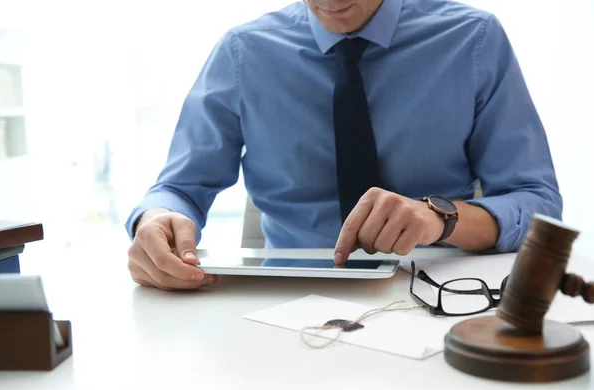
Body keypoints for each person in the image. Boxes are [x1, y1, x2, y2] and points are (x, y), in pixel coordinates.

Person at [125, 0, 562, 291]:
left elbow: (538, 205)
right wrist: (158, 221)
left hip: (438, 291)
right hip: (285, 305)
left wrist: (440, 217)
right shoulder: (244, 53)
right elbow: (179, 190)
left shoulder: (473, 40)